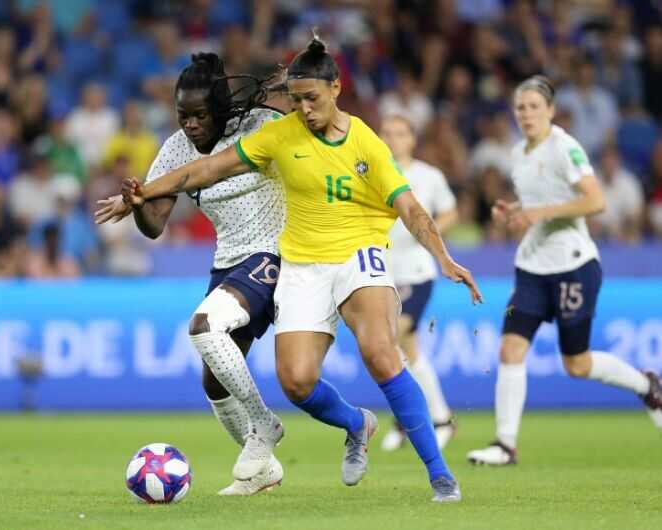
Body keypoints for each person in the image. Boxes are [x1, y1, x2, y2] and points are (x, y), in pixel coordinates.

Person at [124, 37, 482, 503]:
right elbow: (206, 170)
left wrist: (444, 257)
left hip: (359, 253)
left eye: (311, 98)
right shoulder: (280, 135)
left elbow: (410, 207)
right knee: (295, 381)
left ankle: (441, 475)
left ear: (336, 88)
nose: (304, 109)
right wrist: (144, 193)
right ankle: (357, 425)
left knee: (380, 352)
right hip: (301, 264)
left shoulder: (365, 142)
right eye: (295, 100)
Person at [95, 53, 286, 496]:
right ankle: (264, 470)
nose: (191, 124)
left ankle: (265, 423)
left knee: (202, 327)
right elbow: (155, 225)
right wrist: (139, 204)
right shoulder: (176, 149)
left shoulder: (259, 126)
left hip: (273, 252)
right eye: (183, 115)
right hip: (229, 261)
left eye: (200, 114)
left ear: (220, 108)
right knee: (213, 381)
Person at [467, 76, 662, 466]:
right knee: (510, 348)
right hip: (531, 267)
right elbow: (539, 201)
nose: (526, 114)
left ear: (551, 111)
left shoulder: (565, 148)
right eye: (520, 107)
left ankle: (647, 385)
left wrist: (541, 213)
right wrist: (515, 210)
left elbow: (595, 201)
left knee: (577, 363)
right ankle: (505, 445)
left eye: (534, 107)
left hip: (573, 266)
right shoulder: (518, 152)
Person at [378, 114, 458, 452]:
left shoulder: (429, 175)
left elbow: (451, 211)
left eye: (400, 133)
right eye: (387, 133)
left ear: (412, 139)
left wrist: (428, 232)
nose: (393, 139)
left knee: (394, 336)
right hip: (382, 272)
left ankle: (439, 419)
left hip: (416, 271)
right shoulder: (371, 172)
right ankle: (412, 420)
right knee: (405, 350)